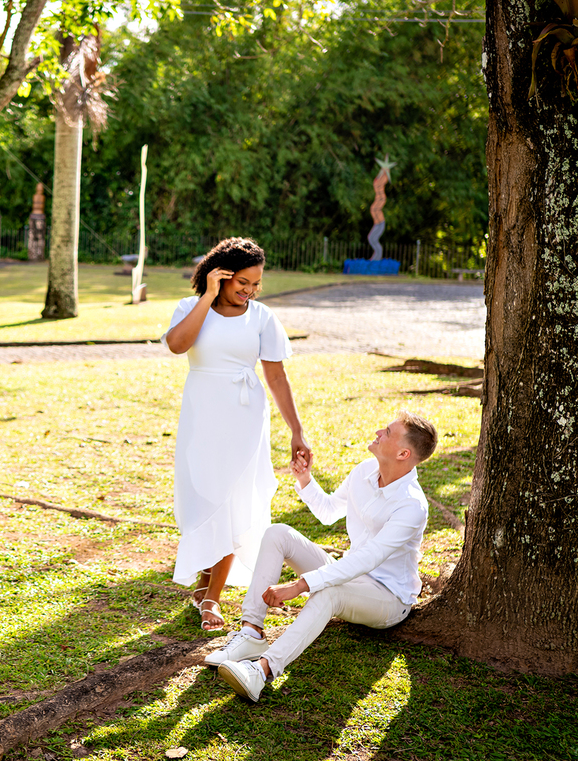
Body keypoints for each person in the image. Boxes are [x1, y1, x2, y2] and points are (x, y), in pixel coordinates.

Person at [209, 412, 438, 702]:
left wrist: (301, 585)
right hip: (351, 577)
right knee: (278, 533)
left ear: (404, 453)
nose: (379, 431)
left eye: (389, 432)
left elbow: (368, 558)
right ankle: (252, 633)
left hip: (388, 599)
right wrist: (305, 479)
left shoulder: (412, 506)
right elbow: (329, 511)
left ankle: (262, 672)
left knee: (329, 591)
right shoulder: (365, 470)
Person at [163, 237, 312, 632]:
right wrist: (208, 295)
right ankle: (202, 585)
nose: (249, 290)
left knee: (233, 502)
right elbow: (178, 345)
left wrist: (296, 430)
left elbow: (277, 377)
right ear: (222, 275)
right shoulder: (190, 309)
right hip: (202, 416)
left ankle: (212, 598)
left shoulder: (262, 318)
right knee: (205, 497)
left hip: (245, 419)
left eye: (256, 283)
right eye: (242, 282)